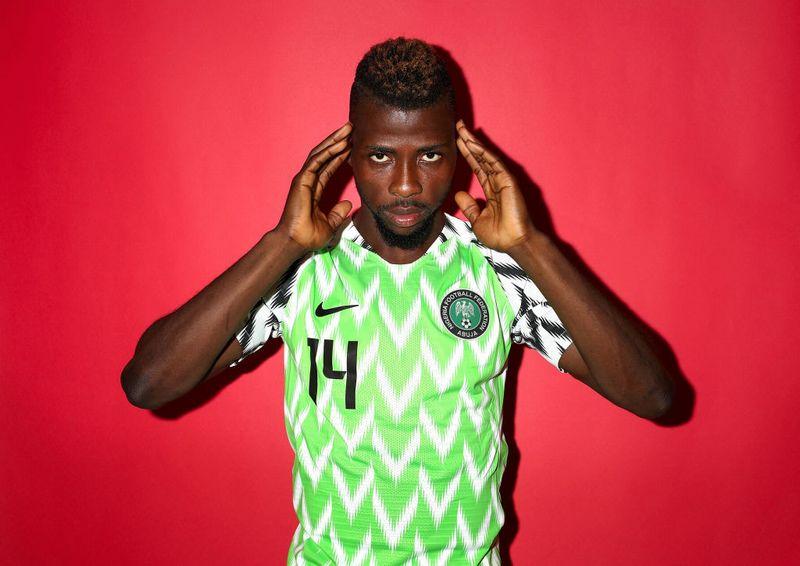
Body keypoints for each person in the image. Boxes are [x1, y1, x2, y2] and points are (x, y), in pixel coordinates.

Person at [122, 37, 674, 565]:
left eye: (429, 155)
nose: (406, 184)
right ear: (349, 155)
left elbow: (652, 395)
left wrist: (531, 246)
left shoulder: (497, 268)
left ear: (459, 154)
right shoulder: (302, 268)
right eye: (381, 155)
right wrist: (281, 245)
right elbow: (149, 383)